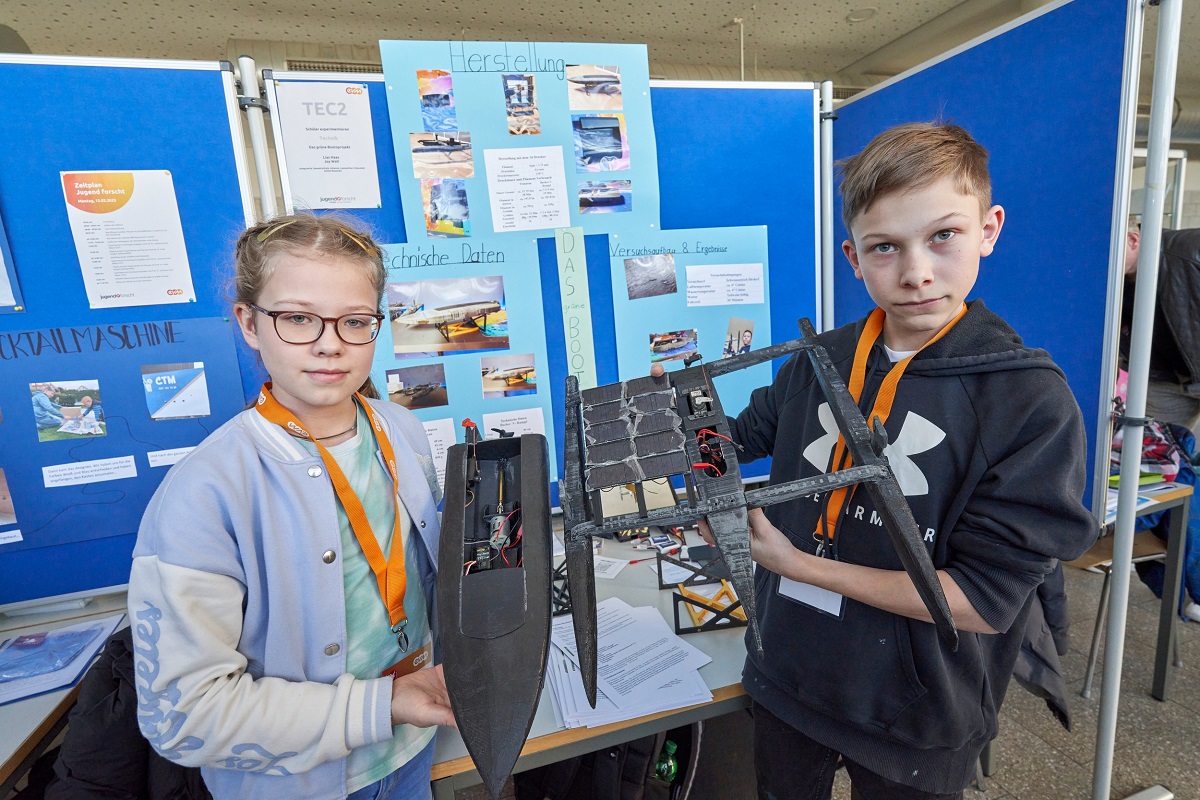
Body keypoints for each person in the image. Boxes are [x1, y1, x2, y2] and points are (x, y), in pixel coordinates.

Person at [723, 123, 1096, 799]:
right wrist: (666, 442)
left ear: (989, 228)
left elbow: (983, 601)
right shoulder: (822, 360)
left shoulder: (1027, 399)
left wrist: (796, 565)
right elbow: (737, 435)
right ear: (854, 257)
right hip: (791, 670)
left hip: (916, 707)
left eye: (943, 236)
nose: (917, 272)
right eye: (885, 247)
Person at [127, 213, 455, 800]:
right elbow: (181, 715)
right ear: (250, 323)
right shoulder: (206, 491)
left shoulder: (401, 430)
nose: (330, 343)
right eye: (299, 318)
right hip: (297, 783)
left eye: (355, 321)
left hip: (410, 748)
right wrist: (383, 705)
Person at [1120, 219, 1200, 438]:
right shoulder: (1113, 280)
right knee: (1151, 454)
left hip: (1177, 376)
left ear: (1132, 240)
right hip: (1165, 382)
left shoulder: (1190, 248)